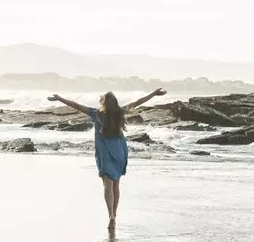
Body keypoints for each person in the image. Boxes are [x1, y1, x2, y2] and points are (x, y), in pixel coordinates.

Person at [48, 88, 167, 232]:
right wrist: (154, 93)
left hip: (104, 151)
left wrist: (60, 98)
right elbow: (138, 102)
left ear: (103, 102)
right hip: (119, 150)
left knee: (107, 184)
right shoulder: (120, 111)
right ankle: (114, 216)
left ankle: (110, 214)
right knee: (116, 185)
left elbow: (76, 105)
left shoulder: (96, 113)